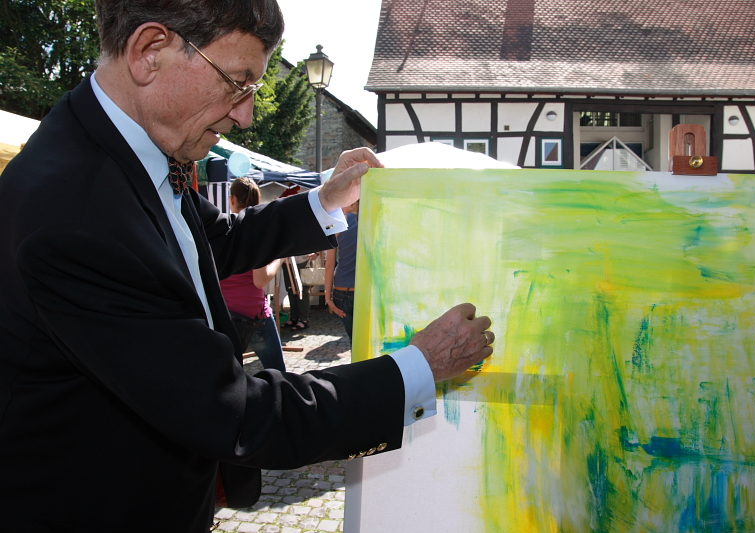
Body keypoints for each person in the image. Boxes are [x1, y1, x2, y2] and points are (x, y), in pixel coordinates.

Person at [0, 1, 495, 531]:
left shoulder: (124, 152)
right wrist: (418, 365)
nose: (246, 115)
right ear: (150, 51)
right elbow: (236, 413)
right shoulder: (79, 210)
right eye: (238, 82)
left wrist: (323, 200)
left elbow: (213, 243)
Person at [221, 177, 285, 371]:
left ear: (232, 199)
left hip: (226, 315)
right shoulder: (256, 231)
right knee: (279, 374)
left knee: (227, 379)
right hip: (254, 316)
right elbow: (260, 280)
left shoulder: (220, 228)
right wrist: (280, 257)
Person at [325, 200, 359, 342]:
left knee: (354, 342)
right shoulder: (373, 220)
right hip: (365, 292)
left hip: (341, 290)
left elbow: (329, 264)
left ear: (352, 202)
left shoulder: (335, 223)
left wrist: (328, 297)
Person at [281, 253, 313, 331]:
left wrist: (316, 253)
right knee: (290, 289)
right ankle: (294, 318)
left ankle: (304, 319)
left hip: (303, 259)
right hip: (286, 261)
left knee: (302, 290)